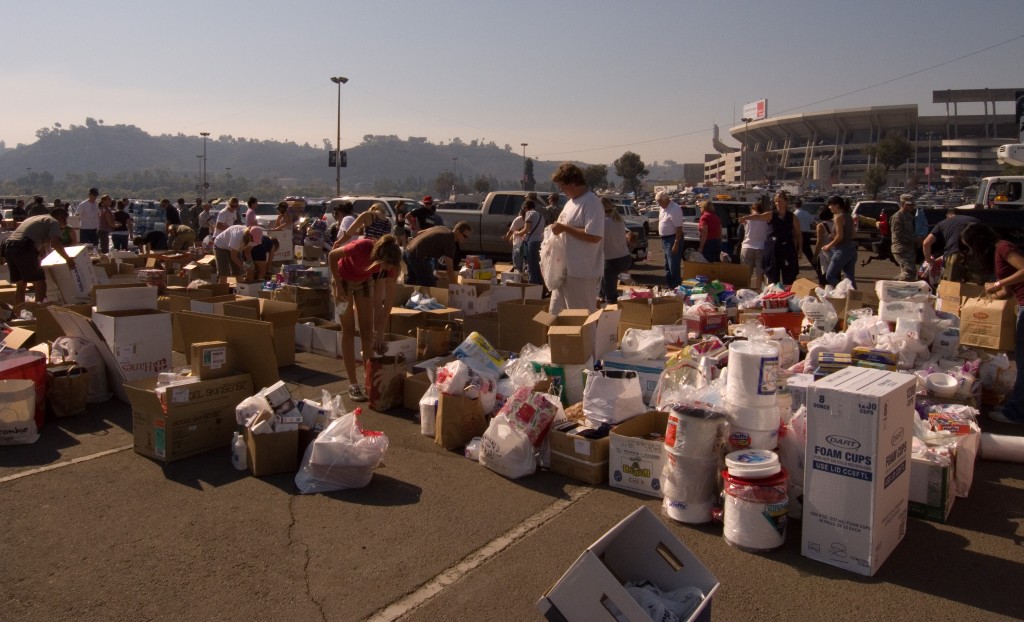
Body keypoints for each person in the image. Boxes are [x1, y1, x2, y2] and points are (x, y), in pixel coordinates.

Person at [959, 223, 1024, 424]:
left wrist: (997, 284)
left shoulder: (1003, 247)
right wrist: (985, 299)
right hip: (1021, 304)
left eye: (970, 246)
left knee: (1023, 361)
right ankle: (1015, 404)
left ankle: (1016, 413)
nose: (971, 251)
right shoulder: (998, 252)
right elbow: (1008, 289)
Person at [328, 234, 404, 402]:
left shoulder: (391, 267)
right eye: (384, 265)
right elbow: (332, 256)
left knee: (367, 332)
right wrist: (338, 285)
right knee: (348, 330)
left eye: (389, 267)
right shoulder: (361, 247)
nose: (385, 269)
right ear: (378, 257)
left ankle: (368, 380)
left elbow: (388, 301)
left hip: (364, 282)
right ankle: (353, 384)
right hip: (343, 280)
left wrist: (380, 332)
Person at [549, 162, 604, 314]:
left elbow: (594, 236)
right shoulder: (570, 203)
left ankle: (587, 339)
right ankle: (557, 339)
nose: (561, 190)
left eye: (562, 186)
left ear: (573, 182)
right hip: (563, 271)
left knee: (581, 318)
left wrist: (564, 228)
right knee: (556, 314)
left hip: (581, 272)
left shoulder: (591, 202)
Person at [2, 209, 76, 305]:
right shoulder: (54, 222)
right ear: (61, 217)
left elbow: (39, 241)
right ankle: (38, 313)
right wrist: (68, 259)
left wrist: (41, 255)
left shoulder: (36, 218)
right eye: (65, 220)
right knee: (40, 283)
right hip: (24, 248)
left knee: (20, 284)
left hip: (9, 248)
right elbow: (55, 243)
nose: (65, 224)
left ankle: (20, 315)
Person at [740, 190, 801, 286]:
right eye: (776, 201)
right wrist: (746, 217)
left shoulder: (792, 217)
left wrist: (799, 250)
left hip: (787, 249)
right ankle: (772, 296)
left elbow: (798, 234)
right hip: (773, 249)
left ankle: (787, 296)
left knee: (789, 277)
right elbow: (759, 217)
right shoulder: (771, 214)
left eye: (780, 201)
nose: (778, 203)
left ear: (786, 202)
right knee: (772, 277)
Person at [403, 222, 471, 286]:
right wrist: (457, 287)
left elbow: (419, 233)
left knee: (412, 279)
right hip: (416, 256)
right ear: (458, 231)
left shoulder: (442, 228)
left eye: (468, 237)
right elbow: (450, 271)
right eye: (465, 236)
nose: (466, 239)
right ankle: (420, 297)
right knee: (429, 283)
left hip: (407, 251)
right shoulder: (450, 242)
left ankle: (403, 295)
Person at [922, 209, 980, 282]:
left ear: (947, 215)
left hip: (954, 255)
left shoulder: (942, 223)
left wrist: (928, 260)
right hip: (975, 256)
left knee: (951, 285)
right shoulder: (975, 220)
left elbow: (926, 243)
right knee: (974, 286)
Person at [599, 196, 634, 305]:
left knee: (611, 297)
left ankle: (612, 317)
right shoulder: (618, 220)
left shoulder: (601, 223)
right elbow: (631, 235)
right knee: (625, 282)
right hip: (624, 258)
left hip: (610, 261)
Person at [820, 195, 857, 287]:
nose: (829, 207)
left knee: (830, 276)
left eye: (830, 205)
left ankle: (844, 291)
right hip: (852, 250)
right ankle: (854, 297)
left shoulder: (838, 218)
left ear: (836, 205)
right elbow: (853, 234)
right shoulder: (849, 216)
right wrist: (835, 235)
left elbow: (840, 237)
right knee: (849, 278)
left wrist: (828, 246)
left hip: (842, 250)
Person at [655, 190, 685, 288]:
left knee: (673, 264)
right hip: (665, 239)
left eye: (660, 202)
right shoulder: (662, 207)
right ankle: (670, 285)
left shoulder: (675, 209)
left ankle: (675, 286)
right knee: (667, 264)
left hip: (672, 238)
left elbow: (679, 228)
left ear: (666, 200)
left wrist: (676, 243)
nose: (658, 204)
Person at [739, 200, 770, 289]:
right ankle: (758, 291)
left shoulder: (747, 219)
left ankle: (746, 291)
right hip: (761, 247)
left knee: (746, 274)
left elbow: (740, 230)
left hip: (747, 247)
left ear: (752, 209)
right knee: (759, 274)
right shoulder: (765, 219)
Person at [516, 197, 545, 286]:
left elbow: (526, 229)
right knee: (538, 267)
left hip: (532, 242)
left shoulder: (529, 213)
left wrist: (517, 233)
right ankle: (541, 288)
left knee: (531, 267)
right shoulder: (540, 215)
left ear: (525, 207)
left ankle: (533, 288)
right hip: (540, 242)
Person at [890, 193, 918, 281]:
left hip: (909, 248)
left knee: (911, 273)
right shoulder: (897, 217)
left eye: (913, 204)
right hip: (900, 248)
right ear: (902, 204)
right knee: (909, 272)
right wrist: (914, 240)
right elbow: (898, 234)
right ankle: (893, 285)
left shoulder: (910, 216)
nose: (911, 206)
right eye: (909, 204)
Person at [812, 205, 836, 287]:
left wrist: (815, 256)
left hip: (824, 254)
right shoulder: (835, 223)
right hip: (835, 253)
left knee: (823, 277)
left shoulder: (820, 226)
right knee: (834, 275)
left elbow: (819, 242)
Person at [793, 197, 817, 269]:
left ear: (794, 205)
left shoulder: (794, 214)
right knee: (809, 254)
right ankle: (817, 269)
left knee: (794, 253)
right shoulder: (806, 213)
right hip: (806, 235)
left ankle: (794, 269)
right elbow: (813, 223)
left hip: (797, 235)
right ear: (801, 205)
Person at [505, 206, 527, 273]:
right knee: (517, 259)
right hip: (517, 244)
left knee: (525, 260)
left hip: (526, 243)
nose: (524, 218)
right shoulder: (517, 220)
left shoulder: (531, 219)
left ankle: (524, 274)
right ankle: (517, 273)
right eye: (523, 216)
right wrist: (508, 236)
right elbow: (511, 230)